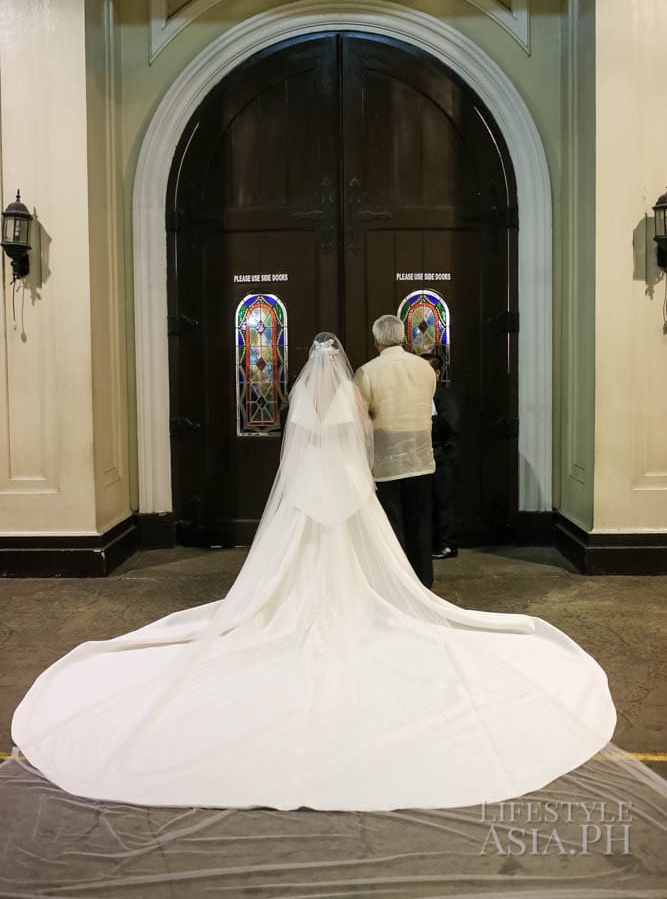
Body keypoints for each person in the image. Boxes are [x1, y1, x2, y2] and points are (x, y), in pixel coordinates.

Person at [11, 333, 616, 812]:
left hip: (308, 482)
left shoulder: (302, 396)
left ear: (308, 367)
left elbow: (293, 440)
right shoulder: (353, 392)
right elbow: (363, 434)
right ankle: (366, 599)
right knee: (361, 546)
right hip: (347, 481)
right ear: (341, 365)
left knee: (296, 551)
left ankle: (295, 603)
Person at [354, 315, 436, 588]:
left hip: (385, 459)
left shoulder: (368, 372)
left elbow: (360, 416)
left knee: (391, 525)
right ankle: (423, 582)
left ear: (376, 340)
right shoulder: (425, 368)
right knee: (420, 522)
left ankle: (398, 585)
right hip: (420, 456)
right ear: (403, 337)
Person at [423, 354, 460, 559]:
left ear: (437, 373)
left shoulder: (443, 395)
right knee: (429, 501)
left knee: (443, 500)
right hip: (425, 453)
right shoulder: (420, 393)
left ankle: (448, 545)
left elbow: (450, 424)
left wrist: (426, 420)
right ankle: (433, 543)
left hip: (443, 454)